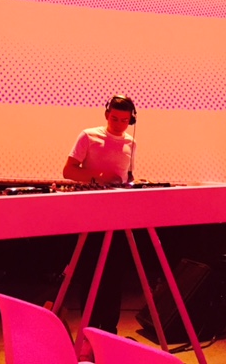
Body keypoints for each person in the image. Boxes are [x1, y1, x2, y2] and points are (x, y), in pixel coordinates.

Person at [63, 95, 137, 359]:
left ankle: (110, 333)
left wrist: (133, 184)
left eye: (124, 120)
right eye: (114, 118)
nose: (119, 124)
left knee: (114, 276)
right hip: (91, 214)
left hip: (118, 215)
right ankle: (89, 333)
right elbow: (68, 171)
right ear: (107, 115)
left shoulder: (131, 142)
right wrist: (98, 177)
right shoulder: (88, 136)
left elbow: (128, 176)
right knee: (91, 274)